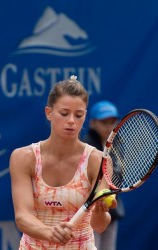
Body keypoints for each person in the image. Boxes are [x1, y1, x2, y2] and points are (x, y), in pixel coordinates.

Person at [9, 76, 117, 249]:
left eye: (79, 115)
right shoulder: (23, 157)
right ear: (49, 113)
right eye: (64, 113)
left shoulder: (98, 160)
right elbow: (22, 217)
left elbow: (99, 225)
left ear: (85, 117)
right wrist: (50, 232)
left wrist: (99, 212)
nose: (72, 121)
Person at [82, 100, 125, 250]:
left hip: (110, 209)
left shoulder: (117, 143)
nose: (109, 126)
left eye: (112, 122)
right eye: (104, 122)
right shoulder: (85, 145)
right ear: (93, 123)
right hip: (88, 214)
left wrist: (108, 196)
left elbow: (118, 175)